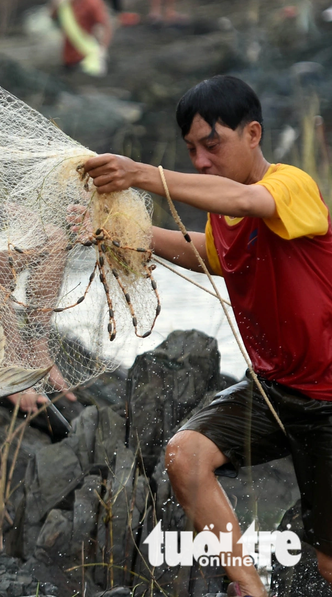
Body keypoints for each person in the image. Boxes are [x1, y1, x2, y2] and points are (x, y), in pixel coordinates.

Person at [82, 75, 332, 596]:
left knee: (329, 564)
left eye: (211, 145)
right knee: (186, 455)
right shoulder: (224, 215)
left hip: (328, 399)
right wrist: (125, 234)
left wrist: (141, 174)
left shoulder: (291, 186)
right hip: (272, 390)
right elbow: (206, 254)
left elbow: (250, 203)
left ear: (253, 134)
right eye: (192, 150)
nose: (200, 161)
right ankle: (250, 589)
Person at [50, 0, 112, 71]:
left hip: (85, 56)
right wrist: (56, 5)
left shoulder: (92, 1)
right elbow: (53, 18)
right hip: (68, 56)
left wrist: (102, 50)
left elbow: (106, 25)